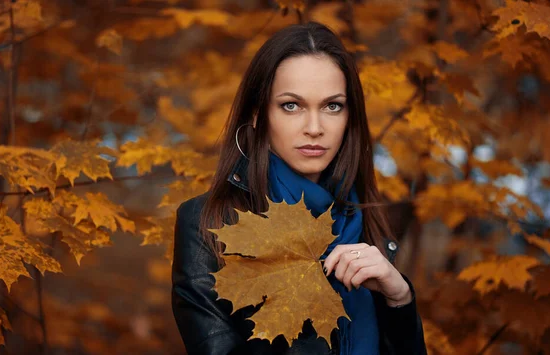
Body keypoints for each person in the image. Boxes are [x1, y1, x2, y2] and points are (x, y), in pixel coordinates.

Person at [171, 21, 427, 355]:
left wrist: (400, 299)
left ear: (351, 117)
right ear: (258, 113)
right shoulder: (208, 224)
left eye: (332, 106)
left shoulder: (367, 221)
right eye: (291, 105)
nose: (315, 128)